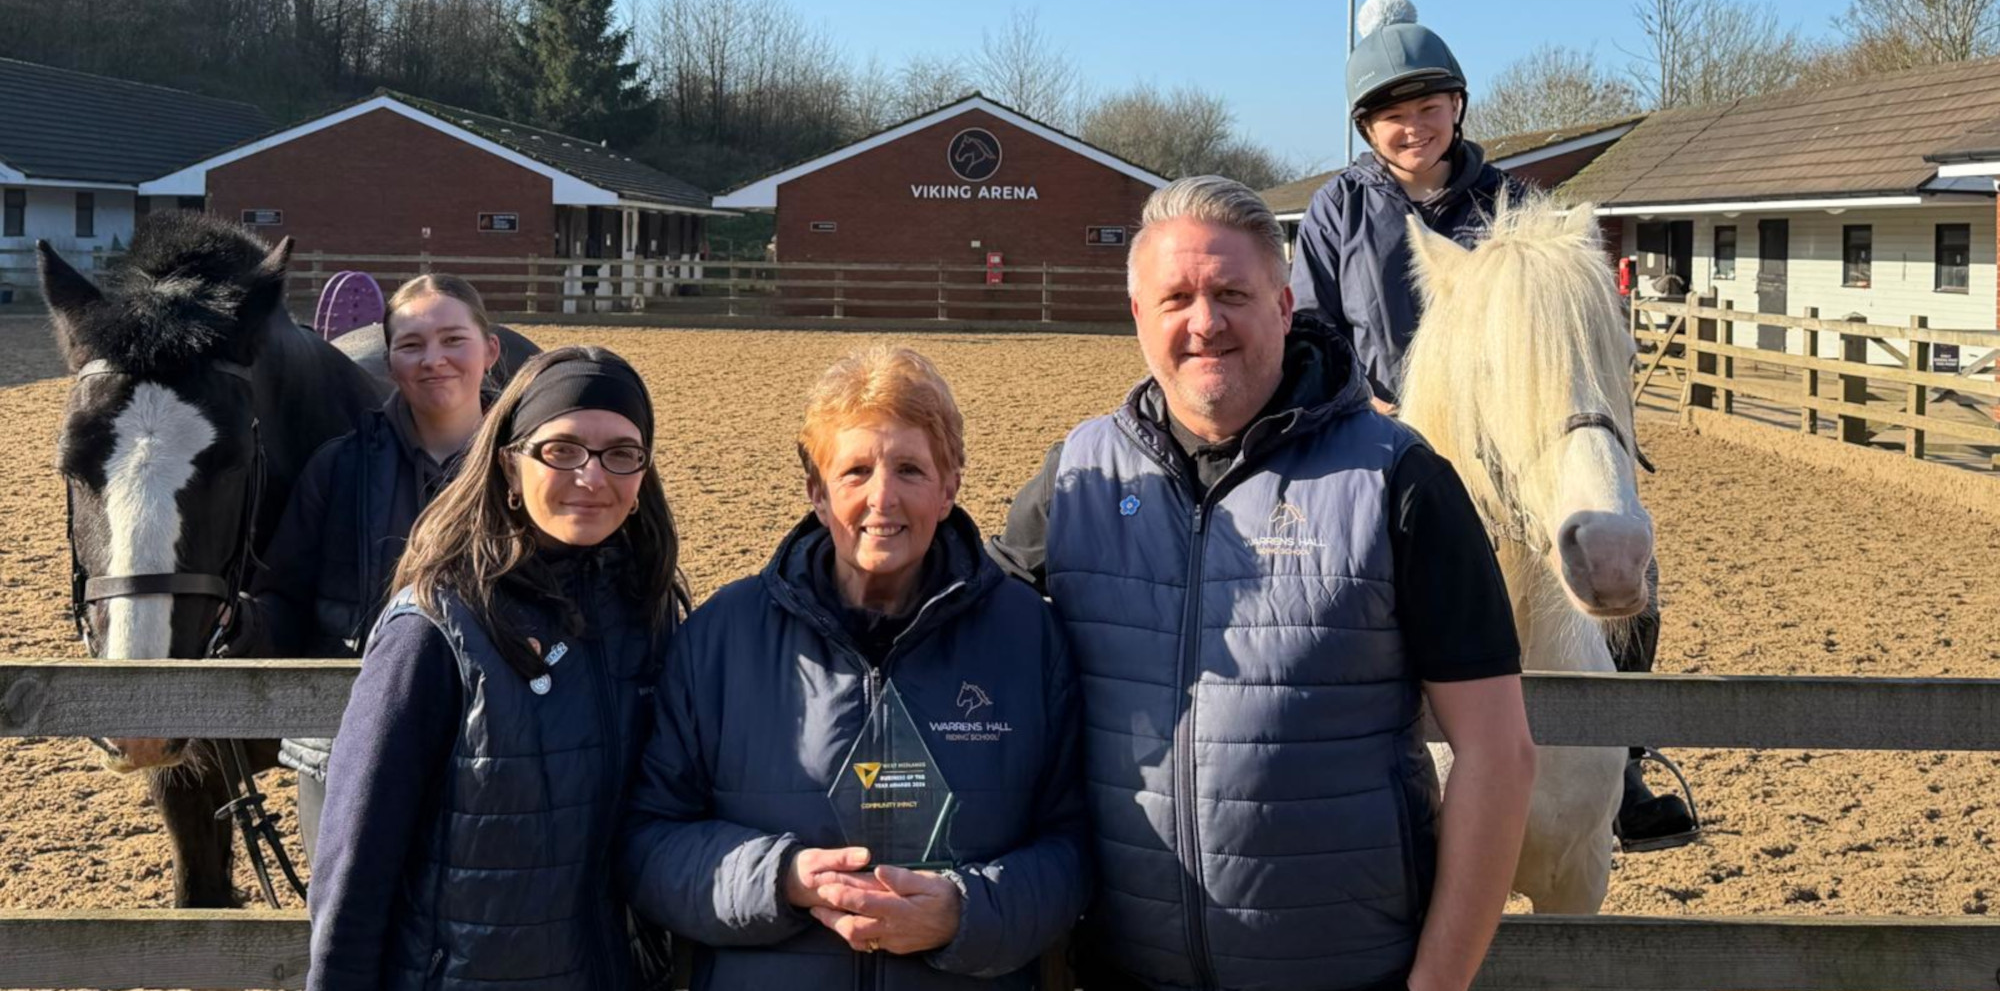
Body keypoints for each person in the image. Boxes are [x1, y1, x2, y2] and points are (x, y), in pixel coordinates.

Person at [990, 176, 1535, 991]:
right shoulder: (1079, 477)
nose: (1204, 322)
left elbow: (1500, 753)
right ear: (1138, 316)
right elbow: (956, 626)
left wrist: (1438, 984)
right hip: (1124, 972)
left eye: (1232, 293)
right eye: (1176, 297)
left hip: (1348, 971)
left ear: (1284, 305)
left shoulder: (1400, 480)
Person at [1288, 0, 1696, 850]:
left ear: (1458, 106)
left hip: (1506, 445)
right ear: (1368, 128)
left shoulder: (1515, 204)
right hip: (1379, 437)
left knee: (1633, 581)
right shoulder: (1338, 213)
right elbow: (1311, 330)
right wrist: (1360, 399)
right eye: (1392, 116)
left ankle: (1618, 764)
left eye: (1428, 108)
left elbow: (1565, 333)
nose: (1413, 128)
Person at [619, 346, 1089, 988]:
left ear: (950, 486)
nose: (882, 498)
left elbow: (1072, 848)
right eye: (856, 471)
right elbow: (648, 845)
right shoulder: (720, 638)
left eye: (910, 470)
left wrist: (966, 912)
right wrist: (780, 881)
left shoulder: (1029, 636)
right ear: (816, 490)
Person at [306, 346, 686, 991]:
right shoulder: (436, 629)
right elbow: (356, 860)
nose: (592, 477)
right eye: (561, 450)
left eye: (621, 453)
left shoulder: (649, 615)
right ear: (511, 465)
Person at [244, 274, 503, 856]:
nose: (432, 359)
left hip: (496, 750)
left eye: (452, 340)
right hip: (347, 746)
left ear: (490, 351)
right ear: (390, 362)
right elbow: (284, 598)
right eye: (411, 345)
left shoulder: (532, 473)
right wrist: (243, 628)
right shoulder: (335, 470)